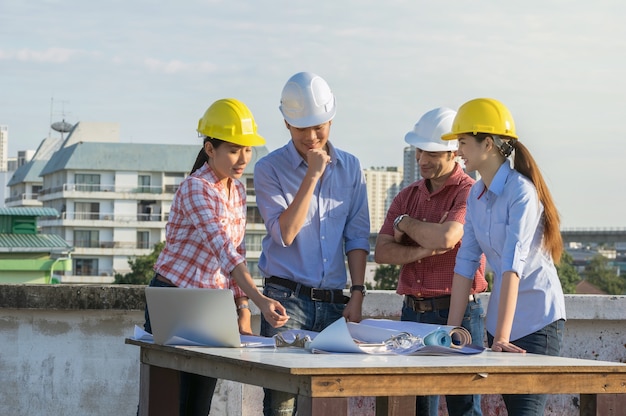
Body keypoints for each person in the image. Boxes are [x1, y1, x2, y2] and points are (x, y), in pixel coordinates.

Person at [141, 98, 289, 416]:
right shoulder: (196, 188)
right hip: (173, 298)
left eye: (247, 149)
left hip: (210, 304)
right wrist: (260, 300)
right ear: (210, 149)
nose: (242, 158)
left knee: (198, 405)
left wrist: (242, 308)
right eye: (234, 149)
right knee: (166, 404)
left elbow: (237, 250)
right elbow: (224, 251)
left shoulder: (237, 190)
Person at [254, 71, 371, 416]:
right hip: (285, 303)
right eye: (302, 127)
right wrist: (312, 175)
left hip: (336, 304)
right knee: (282, 405)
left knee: (330, 404)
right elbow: (285, 233)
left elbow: (357, 235)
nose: (311, 135)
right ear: (287, 124)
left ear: (331, 119)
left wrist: (358, 293)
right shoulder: (268, 168)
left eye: (318, 126)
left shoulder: (351, 168)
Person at [443, 98, 566, 416]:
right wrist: (449, 332)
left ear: (488, 144)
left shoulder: (522, 193)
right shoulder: (475, 194)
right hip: (501, 323)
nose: (458, 151)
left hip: (538, 320)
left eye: (463, 142)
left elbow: (513, 265)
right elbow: (465, 263)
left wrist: (503, 338)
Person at [374, 107, 487, 416]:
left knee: (464, 407)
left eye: (432, 153)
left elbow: (446, 238)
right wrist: (424, 248)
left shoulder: (470, 193)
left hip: (459, 311)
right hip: (413, 313)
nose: (422, 159)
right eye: (419, 150)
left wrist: (405, 224)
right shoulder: (406, 194)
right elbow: (382, 252)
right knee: (421, 409)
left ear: (455, 153)